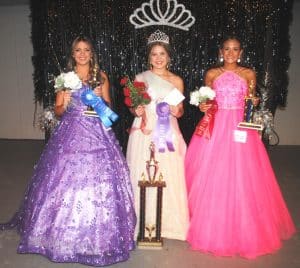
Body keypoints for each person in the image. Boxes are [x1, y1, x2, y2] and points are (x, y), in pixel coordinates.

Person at [0, 36, 136, 266]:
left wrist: (97, 104)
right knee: (62, 176)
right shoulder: (65, 79)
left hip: (96, 132)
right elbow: (59, 110)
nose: (82, 54)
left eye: (86, 50)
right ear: (72, 54)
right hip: (71, 131)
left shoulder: (100, 76)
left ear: (92, 53)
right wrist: (66, 100)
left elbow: (109, 106)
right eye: (78, 50)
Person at [185, 35, 296, 259]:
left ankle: (245, 221)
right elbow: (207, 101)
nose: (231, 53)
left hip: (240, 124)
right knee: (213, 171)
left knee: (245, 172)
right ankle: (207, 219)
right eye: (227, 49)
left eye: (235, 49)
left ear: (241, 53)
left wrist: (253, 101)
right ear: (221, 51)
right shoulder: (212, 74)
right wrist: (203, 104)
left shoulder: (248, 74)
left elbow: (251, 99)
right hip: (216, 125)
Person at [126, 30, 189, 241]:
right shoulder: (141, 78)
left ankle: (169, 223)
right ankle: (142, 220)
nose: (159, 58)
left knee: (168, 172)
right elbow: (134, 107)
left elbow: (180, 111)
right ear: (149, 57)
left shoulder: (176, 80)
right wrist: (137, 111)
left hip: (167, 131)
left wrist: (174, 110)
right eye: (154, 54)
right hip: (145, 130)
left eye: (162, 53)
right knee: (142, 172)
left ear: (169, 56)